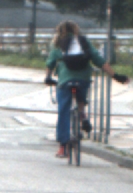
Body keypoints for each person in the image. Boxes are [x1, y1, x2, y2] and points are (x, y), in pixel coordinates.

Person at [43, 21, 121, 158]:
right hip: (83, 79)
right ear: (76, 30)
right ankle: (81, 114)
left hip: (65, 80)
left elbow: (50, 63)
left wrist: (48, 77)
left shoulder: (58, 44)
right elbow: (98, 60)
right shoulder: (84, 42)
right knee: (80, 95)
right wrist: (115, 76)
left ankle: (63, 147)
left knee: (63, 110)